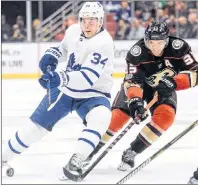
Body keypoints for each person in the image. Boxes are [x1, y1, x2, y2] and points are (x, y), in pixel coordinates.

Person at [2, 1, 114, 180]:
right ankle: (3, 157)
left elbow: (87, 78)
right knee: (35, 128)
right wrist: (51, 57)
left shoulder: (104, 42)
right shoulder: (73, 31)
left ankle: (77, 159)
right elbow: (63, 49)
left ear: (100, 21)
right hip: (65, 89)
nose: (87, 24)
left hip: (93, 92)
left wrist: (58, 77)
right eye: (84, 19)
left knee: (101, 117)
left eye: (92, 20)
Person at [86, 21, 198, 172]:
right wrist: (135, 101)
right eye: (151, 42)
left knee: (165, 116)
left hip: (166, 86)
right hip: (139, 86)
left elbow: (196, 73)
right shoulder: (136, 52)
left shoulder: (179, 48)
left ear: (167, 40)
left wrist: (174, 83)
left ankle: (132, 151)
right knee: (117, 118)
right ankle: (87, 152)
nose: (155, 46)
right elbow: (132, 81)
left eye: (159, 42)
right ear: (146, 40)